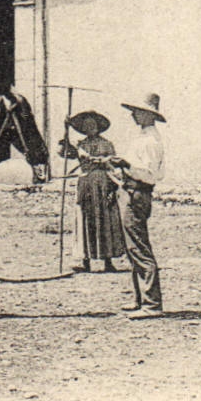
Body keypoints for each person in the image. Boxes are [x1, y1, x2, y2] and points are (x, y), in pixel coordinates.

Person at [111, 92, 167, 318]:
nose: (134, 115)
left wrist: (127, 164)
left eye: (138, 111)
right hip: (129, 190)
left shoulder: (151, 141)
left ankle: (152, 304)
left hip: (138, 194)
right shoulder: (141, 137)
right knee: (131, 247)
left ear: (149, 115)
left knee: (139, 248)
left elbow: (151, 174)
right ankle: (140, 298)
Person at [58, 110, 127, 272]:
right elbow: (63, 153)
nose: (90, 128)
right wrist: (65, 131)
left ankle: (108, 260)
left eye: (93, 125)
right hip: (86, 185)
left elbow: (115, 166)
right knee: (86, 219)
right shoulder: (79, 145)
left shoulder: (107, 144)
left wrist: (113, 185)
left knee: (105, 220)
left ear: (99, 127)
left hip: (103, 184)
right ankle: (85, 260)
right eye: (86, 126)